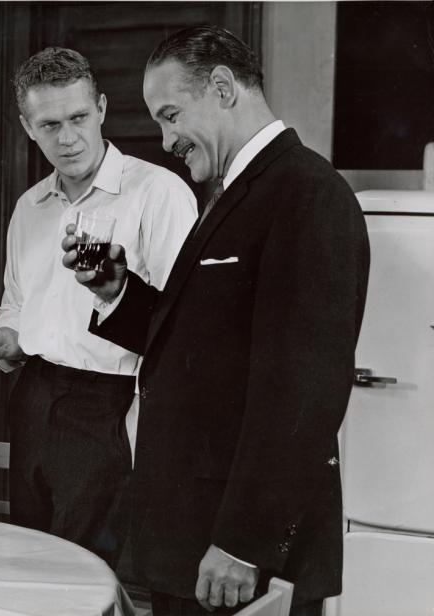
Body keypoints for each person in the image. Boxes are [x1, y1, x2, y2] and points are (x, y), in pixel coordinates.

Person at [61, 26, 370, 616]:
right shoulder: (235, 192)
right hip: (193, 539)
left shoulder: (308, 193)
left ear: (223, 88)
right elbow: (203, 340)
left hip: (235, 553)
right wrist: (117, 290)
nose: (166, 138)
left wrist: (243, 543)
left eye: (172, 115)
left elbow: (304, 391)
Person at [0, 47, 197, 566]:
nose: (67, 137)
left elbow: (187, 331)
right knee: (33, 565)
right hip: (32, 398)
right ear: (26, 126)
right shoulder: (28, 207)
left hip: (110, 407)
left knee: (86, 574)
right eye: (49, 124)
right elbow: (17, 314)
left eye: (79, 117)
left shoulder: (159, 194)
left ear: (101, 107)